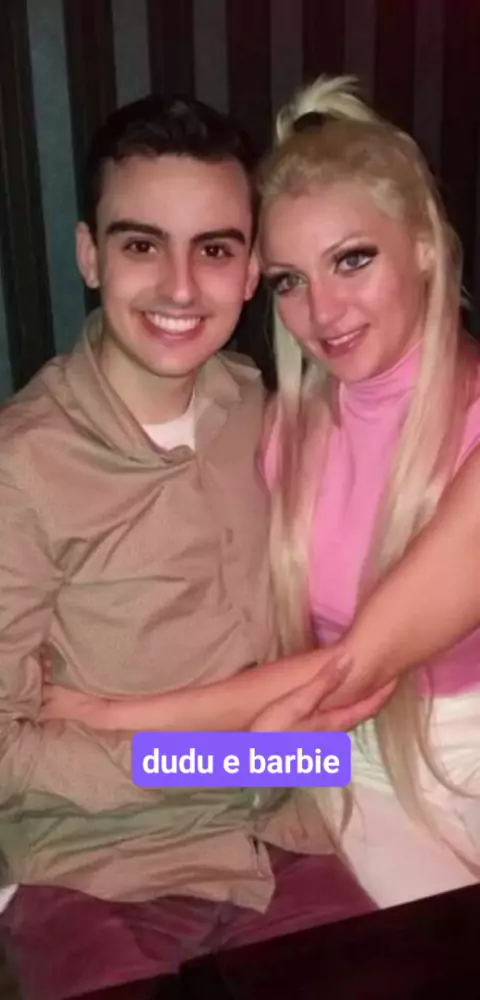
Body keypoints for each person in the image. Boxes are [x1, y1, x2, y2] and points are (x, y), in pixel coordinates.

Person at [41, 77, 480, 912]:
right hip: (345, 759)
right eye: (288, 280)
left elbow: (354, 666)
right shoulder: (281, 431)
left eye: (353, 259)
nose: (323, 310)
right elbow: (289, 720)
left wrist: (106, 714)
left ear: (425, 245)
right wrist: (156, 744)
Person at [0, 93, 377, 1000]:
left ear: (249, 271)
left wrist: (262, 755)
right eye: (142, 245)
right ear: (90, 255)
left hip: (285, 836)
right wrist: (227, 755)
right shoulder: (21, 469)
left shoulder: (260, 407)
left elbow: (325, 726)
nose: (179, 288)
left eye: (213, 250)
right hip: (97, 869)